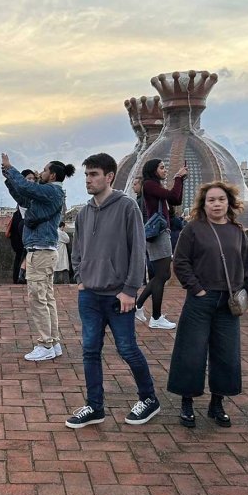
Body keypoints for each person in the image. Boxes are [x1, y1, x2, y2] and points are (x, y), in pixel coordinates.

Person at [67, 153, 159, 428]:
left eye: (93, 174)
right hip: (90, 294)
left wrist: (130, 290)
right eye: (86, 175)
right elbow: (78, 249)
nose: (88, 180)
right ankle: (94, 407)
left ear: (109, 177)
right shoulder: (84, 212)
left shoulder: (127, 207)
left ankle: (149, 398)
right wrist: (79, 278)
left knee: (127, 349)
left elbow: (138, 251)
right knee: (90, 351)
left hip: (119, 295)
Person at [167, 181, 248, 428]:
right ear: (204, 203)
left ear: (229, 203)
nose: (216, 204)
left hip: (229, 302)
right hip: (201, 300)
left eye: (221, 199)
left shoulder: (236, 231)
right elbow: (180, 262)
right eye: (211, 200)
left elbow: (246, 267)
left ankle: (217, 403)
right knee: (191, 353)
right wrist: (197, 289)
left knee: (226, 355)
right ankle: (187, 403)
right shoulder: (194, 229)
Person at [1, 153, 70, 361]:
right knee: (46, 298)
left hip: (40, 253)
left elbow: (27, 188)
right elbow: (22, 197)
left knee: (38, 299)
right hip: (43, 251)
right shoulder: (50, 193)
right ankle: (53, 341)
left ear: (52, 175)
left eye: (45, 170)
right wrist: (8, 178)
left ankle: (45, 344)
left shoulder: (51, 191)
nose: (41, 172)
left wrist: (11, 168)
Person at [135, 159, 186, 330]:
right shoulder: (149, 184)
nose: (165, 170)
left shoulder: (155, 186)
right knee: (162, 275)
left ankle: (139, 306)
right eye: (162, 168)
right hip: (158, 235)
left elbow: (176, 200)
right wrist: (178, 177)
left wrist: (181, 181)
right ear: (153, 170)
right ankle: (155, 317)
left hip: (161, 234)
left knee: (162, 275)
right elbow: (172, 196)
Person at [9, 206, 26, 284]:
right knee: (24, 259)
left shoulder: (15, 215)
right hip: (22, 241)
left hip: (15, 242)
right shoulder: (25, 217)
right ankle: (21, 277)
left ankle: (16, 278)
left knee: (17, 259)